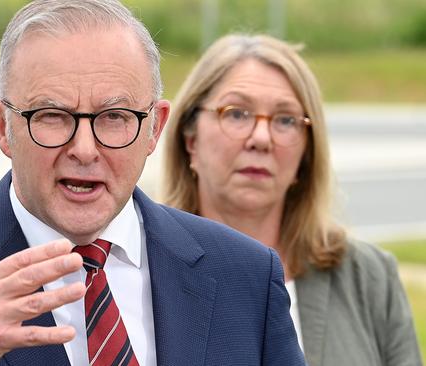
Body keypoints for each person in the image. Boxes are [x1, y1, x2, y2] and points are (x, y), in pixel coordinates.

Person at [0, 2, 305, 366]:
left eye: (116, 117)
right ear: (2, 128)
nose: (85, 148)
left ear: (154, 128)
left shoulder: (246, 277)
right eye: (52, 116)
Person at [162, 33, 422, 366]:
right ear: (190, 139)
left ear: (306, 152)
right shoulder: (145, 271)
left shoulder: (368, 276)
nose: (261, 138)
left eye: (285, 120)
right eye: (237, 113)